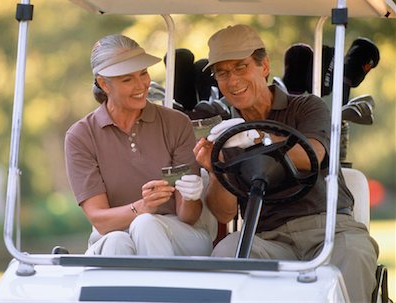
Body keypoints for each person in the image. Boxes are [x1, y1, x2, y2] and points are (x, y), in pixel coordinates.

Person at [193, 24, 379, 303]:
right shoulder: (226, 132)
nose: (232, 81)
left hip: (328, 229)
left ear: (264, 66)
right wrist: (216, 169)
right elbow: (223, 213)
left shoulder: (306, 107)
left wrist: (258, 137)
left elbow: (312, 156)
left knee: (354, 254)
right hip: (268, 237)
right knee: (226, 253)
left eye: (241, 67)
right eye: (223, 73)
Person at [65, 34, 213, 257]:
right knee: (116, 241)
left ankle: (158, 293)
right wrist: (144, 206)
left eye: (143, 73)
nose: (141, 85)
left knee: (146, 225)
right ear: (104, 84)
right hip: (112, 236)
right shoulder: (81, 136)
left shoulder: (176, 123)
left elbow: (188, 216)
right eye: (127, 79)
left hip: (181, 234)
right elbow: (100, 220)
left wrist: (191, 196)